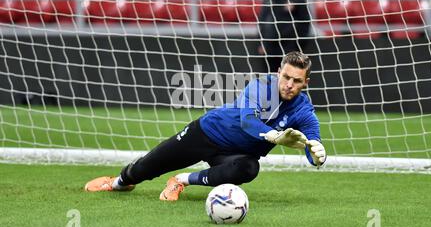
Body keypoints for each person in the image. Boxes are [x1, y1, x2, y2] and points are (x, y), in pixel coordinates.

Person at [84, 51, 326, 201]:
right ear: (278, 73)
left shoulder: (303, 110)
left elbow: (311, 140)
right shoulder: (260, 87)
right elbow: (248, 120)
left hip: (235, 155)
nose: (289, 84)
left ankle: (181, 181)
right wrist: (274, 136)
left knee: (249, 169)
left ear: (306, 82)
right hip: (207, 133)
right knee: (148, 166)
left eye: (296, 80)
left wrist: (316, 155)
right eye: (286, 77)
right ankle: (118, 183)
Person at [257, 0, 311, 73]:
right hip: (270, 46)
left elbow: (305, 23)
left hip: (290, 47)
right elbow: (262, 21)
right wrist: (261, 42)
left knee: (288, 78)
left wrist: (300, 45)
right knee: (270, 78)